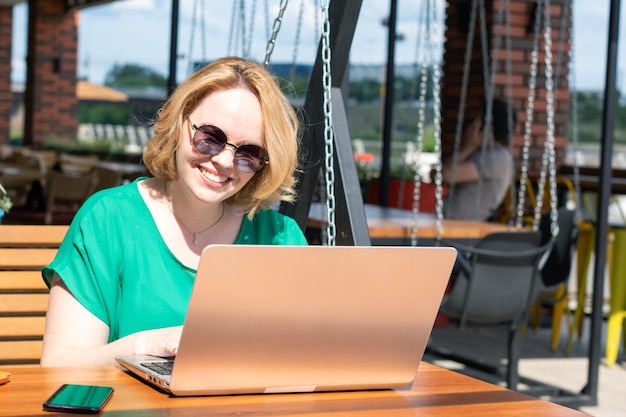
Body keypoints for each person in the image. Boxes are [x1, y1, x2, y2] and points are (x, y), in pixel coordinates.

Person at [40, 57, 308, 367]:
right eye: (210, 137)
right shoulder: (108, 220)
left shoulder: (279, 237)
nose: (223, 161)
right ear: (180, 124)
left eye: (248, 153)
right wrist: (146, 345)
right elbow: (58, 366)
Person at [441, 97, 516, 221]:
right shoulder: (487, 153)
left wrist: (468, 146)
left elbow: (447, 174)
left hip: (461, 231)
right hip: (453, 224)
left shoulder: (497, 157)